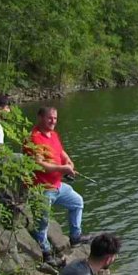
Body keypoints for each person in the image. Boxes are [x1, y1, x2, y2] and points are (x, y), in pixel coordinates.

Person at [25, 107, 89, 265]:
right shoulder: (34, 138)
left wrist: (69, 162)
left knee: (77, 202)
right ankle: (46, 253)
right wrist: (63, 169)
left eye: (55, 118)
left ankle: (75, 237)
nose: (53, 121)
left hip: (57, 185)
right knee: (42, 223)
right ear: (40, 117)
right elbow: (40, 164)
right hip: (41, 188)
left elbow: (61, 153)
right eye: (49, 118)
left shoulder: (53, 135)